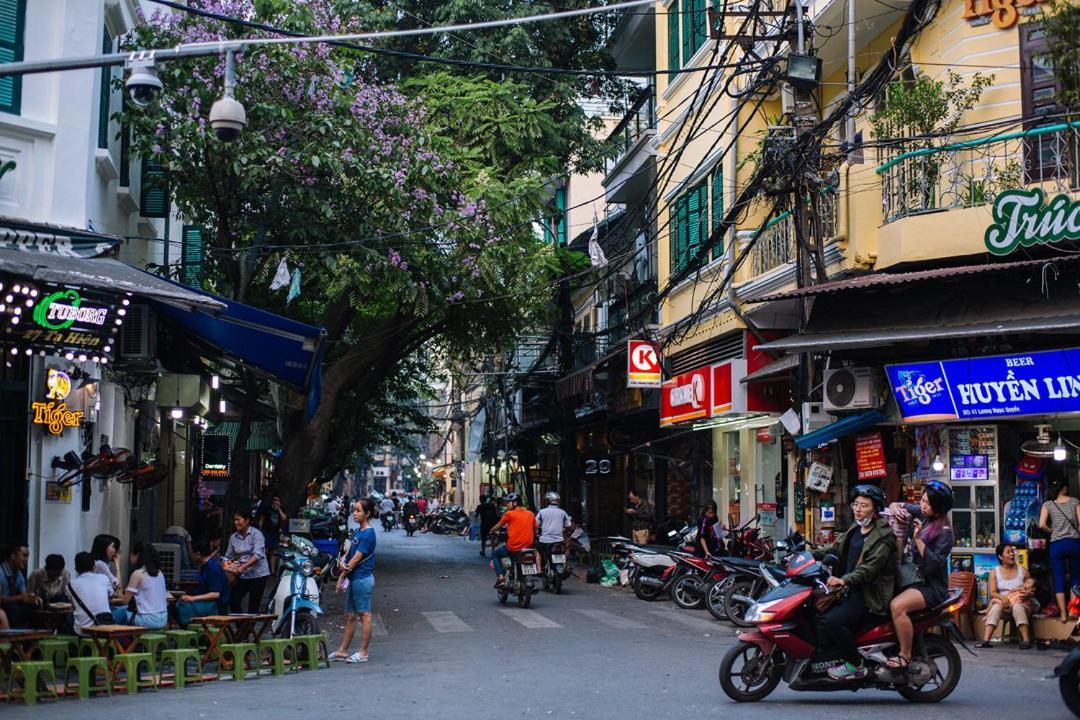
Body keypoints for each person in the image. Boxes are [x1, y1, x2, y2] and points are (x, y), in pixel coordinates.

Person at [815, 484, 897, 681]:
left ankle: (855, 664)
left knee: (830, 620)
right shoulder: (856, 528)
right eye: (856, 504)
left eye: (864, 505)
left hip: (869, 595)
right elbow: (834, 548)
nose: (858, 509)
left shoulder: (883, 537)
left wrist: (843, 580)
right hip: (849, 590)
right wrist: (807, 556)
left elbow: (868, 571)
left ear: (875, 509)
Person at [886, 480, 955, 674]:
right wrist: (895, 508)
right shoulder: (923, 514)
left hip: (931, 587)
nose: (923, 505)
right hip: (914, 580)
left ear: (938, 508)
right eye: (922, 500)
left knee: (897, 606)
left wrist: (918, 539)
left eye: (928, 503)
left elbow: (933, 564)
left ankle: (905, 655)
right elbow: (897, 505)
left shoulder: (945, 533)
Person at [331, 498, 377, 664]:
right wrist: (343, 562)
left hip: (362, 579)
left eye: (358, 510)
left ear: (368, 513)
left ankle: (363, 652)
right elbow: (349, 552)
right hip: (353, 578)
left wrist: (342, 573)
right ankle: (342, 650)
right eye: (354, 510)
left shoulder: (368, 534)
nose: (354, 513)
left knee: (364, 615)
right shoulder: (358, 532)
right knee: (350, 615)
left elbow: (356, 559)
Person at [977, 543, 1036, 649]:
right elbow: (993, 592)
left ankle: (1026, 641)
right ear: (1000, 556)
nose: (1012, 554)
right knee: (995, 608)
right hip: (1004, 604)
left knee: (1018, 607)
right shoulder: (994, 572)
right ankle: (985, 641)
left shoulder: (1023, 571)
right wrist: (1002, 598)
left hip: (1021, 603)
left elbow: (1032, 590)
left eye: (1012, 552)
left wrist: (1028, 594)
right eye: (1008, 552)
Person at [1039, 480, 1080, 622]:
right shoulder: (1075, 501)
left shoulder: (1048, 504)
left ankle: (1062, 614)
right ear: (1064, 488)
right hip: (1074, 543)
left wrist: (1054, 532)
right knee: (1076, 577)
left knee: (1058, 578)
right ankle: (1073, 611)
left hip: (1056, 545)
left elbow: (1041, 524)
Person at [112, 541, 168, 629]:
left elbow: (124, 600)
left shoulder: (138, 574)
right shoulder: (159, 572)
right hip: (163, 619)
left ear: (137, 555)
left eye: (131, 555)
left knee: (118, 613)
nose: (130, 559)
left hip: (147, 621)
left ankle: (119, 641)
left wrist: (117, 566)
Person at [224, 509, 271, 613]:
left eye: (238, 520)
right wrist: (227, 566)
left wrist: (243, 567)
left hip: (258, 574)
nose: (236, 522)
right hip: (242, 575)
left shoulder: (256, 534)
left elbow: (257, 555)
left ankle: (248, 628)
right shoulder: (233, 537)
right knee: (233, 601)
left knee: (253, 607)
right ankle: (242, 628)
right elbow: (228, 557)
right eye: (234, 520)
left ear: (247, 520)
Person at [176, 539, 231, 627]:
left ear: (198, 554)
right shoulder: (205, 566)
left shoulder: (213, 568)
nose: (190, 556)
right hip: (208, 603)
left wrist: (193, 598)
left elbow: (215, 594)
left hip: (216, 606)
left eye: (191, 553)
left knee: (182, 607)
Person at [489, 493, 536, 588]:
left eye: (508, 502)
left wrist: (491, 530)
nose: (507, 504)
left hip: (513, 547)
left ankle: (501, 577)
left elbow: (498, 526)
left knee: (495, 554)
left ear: (515, 503)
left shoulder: (509, 514)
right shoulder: (530, 514)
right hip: (528, 547)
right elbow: (535, 527)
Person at [68, 552, 112, 636]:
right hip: (106, 627)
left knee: (69, 616)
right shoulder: (104, 578)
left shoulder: (70, 585)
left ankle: (73, 647)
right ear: (94, 567)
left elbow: (73, 604)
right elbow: (111, 595)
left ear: (76, 569)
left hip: (82, 631)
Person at [0, 542, 39, 627]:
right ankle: (14, 638)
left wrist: (32, 598)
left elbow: (24, 595)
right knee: (13, 609)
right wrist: (21, 597)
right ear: (13, 556)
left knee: (34, 607)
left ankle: (33, 637)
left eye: (27, 556)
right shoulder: (1, 572)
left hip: (10, 606)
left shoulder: (19, 574)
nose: (26, 559)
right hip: (3, 608)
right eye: (24, 555)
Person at [536, 491, 572, 569]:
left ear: (547, 501)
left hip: (544, 541)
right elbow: (569, 526)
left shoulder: (541, 512)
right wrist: (565, 531)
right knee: (565, 548)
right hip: (559, 541)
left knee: (538, 551)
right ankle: (564, 565)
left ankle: (538, 569)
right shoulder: (563, 512)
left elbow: (536, 525)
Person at [260, 496, 288, 573]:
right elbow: (262, 519)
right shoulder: (267, 508)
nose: (276, 501)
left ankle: (272, 571)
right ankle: (263, 569)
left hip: (275, 533)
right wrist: (260, 530)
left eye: (278, 500)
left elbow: (284, 518)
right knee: (264, 551)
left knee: (273, 552)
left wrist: (279, 509)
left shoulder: (280, 509)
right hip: (266, 531)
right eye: (275, 500)